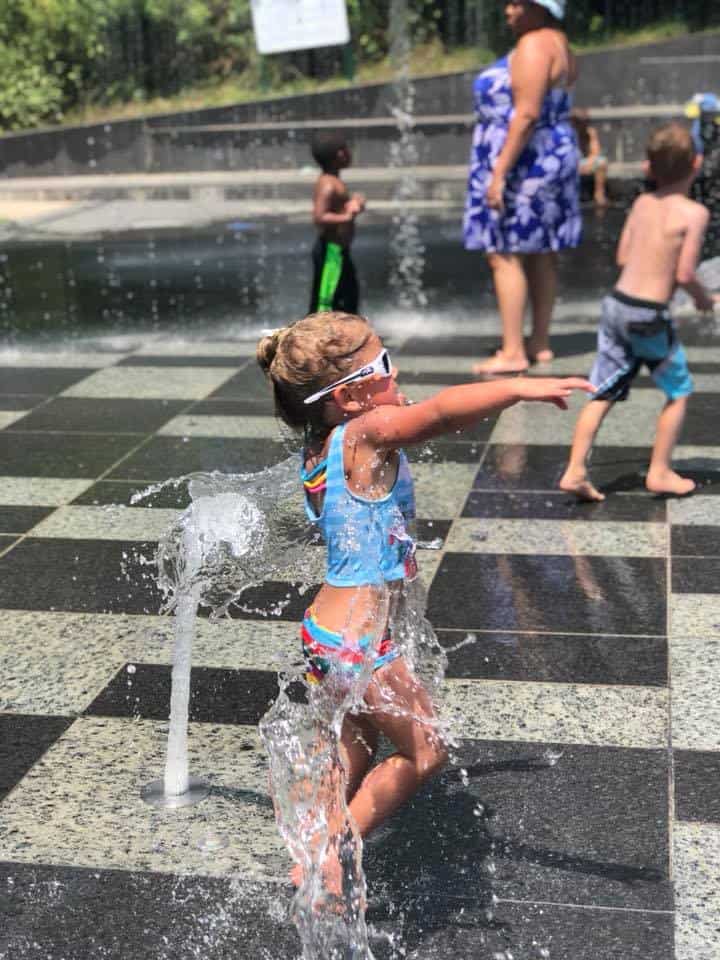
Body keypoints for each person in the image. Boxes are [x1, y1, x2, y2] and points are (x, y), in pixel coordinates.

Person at [258, 310, 593, 890]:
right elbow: (437, 415)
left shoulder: (323, 443)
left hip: (327, 631)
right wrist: (516, 388)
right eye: (383, 365)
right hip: (360, 642)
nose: (396, 372)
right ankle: (328, 858)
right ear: (349, 395)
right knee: (425, 752)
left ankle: (316, 836)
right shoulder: (362, 435)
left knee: (357, 741)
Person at [559, 123, 720, 502]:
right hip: (647, 315)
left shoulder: (642, 203)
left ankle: (575, 470)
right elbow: (683, 272)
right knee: (678, 391)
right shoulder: (694, 213)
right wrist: (703, 298)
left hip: (617, 305)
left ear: (649, 167)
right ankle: (660, 472)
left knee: (603, 389)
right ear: (696, 164)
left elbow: (623, 257)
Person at [464, 0, 582, 375]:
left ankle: (513, 350)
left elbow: (527, 113)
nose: (508, 10)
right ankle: (540, 342)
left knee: (503, 251)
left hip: (524, 160)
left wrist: (498, 173)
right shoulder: (559, 42)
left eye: (517, 3)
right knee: (541, 250)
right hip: (549, 153)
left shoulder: (533, 44)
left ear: (539, 7)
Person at [308, 131, 365, 315]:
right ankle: (315, 340)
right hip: (331, 252)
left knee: (347, 299)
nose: (350, 153)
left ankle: (343, 339)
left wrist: (353, 203)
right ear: (339, 155)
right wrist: (348, 215)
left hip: (339, 251)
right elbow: (320, 217)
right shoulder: (328, 184)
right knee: (326, 302)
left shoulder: (334, 180)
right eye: (346, 149)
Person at [571, 107, 609, 207]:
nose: (584, 124)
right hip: (572, 162)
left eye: (586, 121)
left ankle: (599, 194)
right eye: (581, 122)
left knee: (602, 162)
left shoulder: (590, 133)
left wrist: (589, 164)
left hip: (585, 162)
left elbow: (595, 152)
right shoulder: (568, 133)